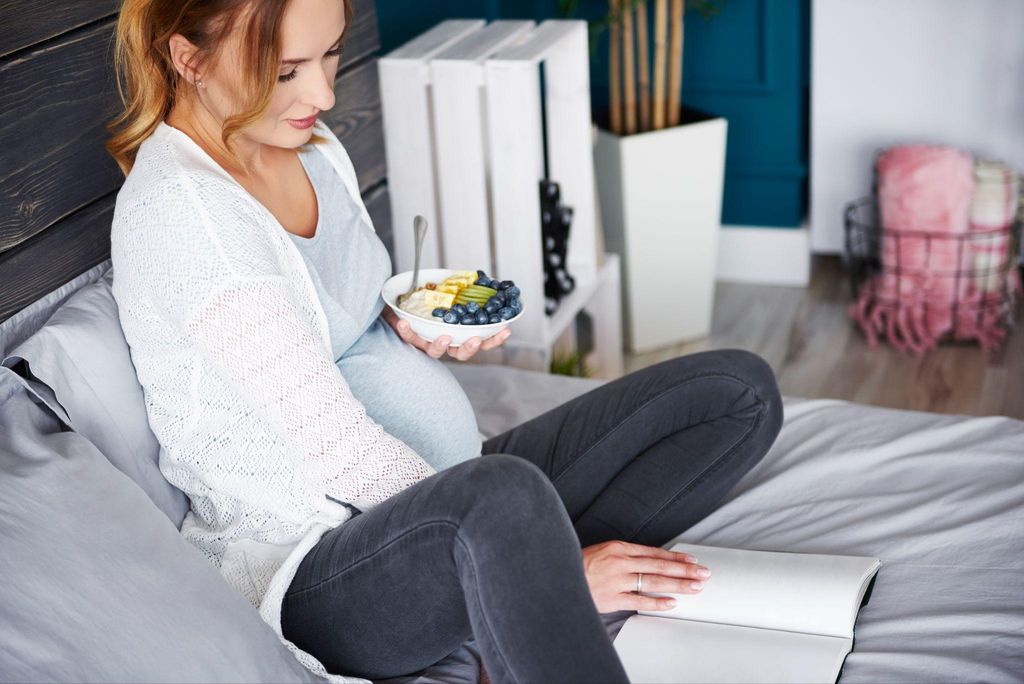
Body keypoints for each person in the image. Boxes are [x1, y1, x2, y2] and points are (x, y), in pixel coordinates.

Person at [106, 0, 785, 682]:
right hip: (321, 568)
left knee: (737, 393)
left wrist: (408, 323)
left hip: (454, 497)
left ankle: (516, 584)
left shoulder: (312, 147)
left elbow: (340, 313)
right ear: (188, 58)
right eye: (287, 71)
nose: (323, 93)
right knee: (502, 497)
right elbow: (337, 451)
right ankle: (535, 584)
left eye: (331, 54)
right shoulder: (186, 216)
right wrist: (544, 565)